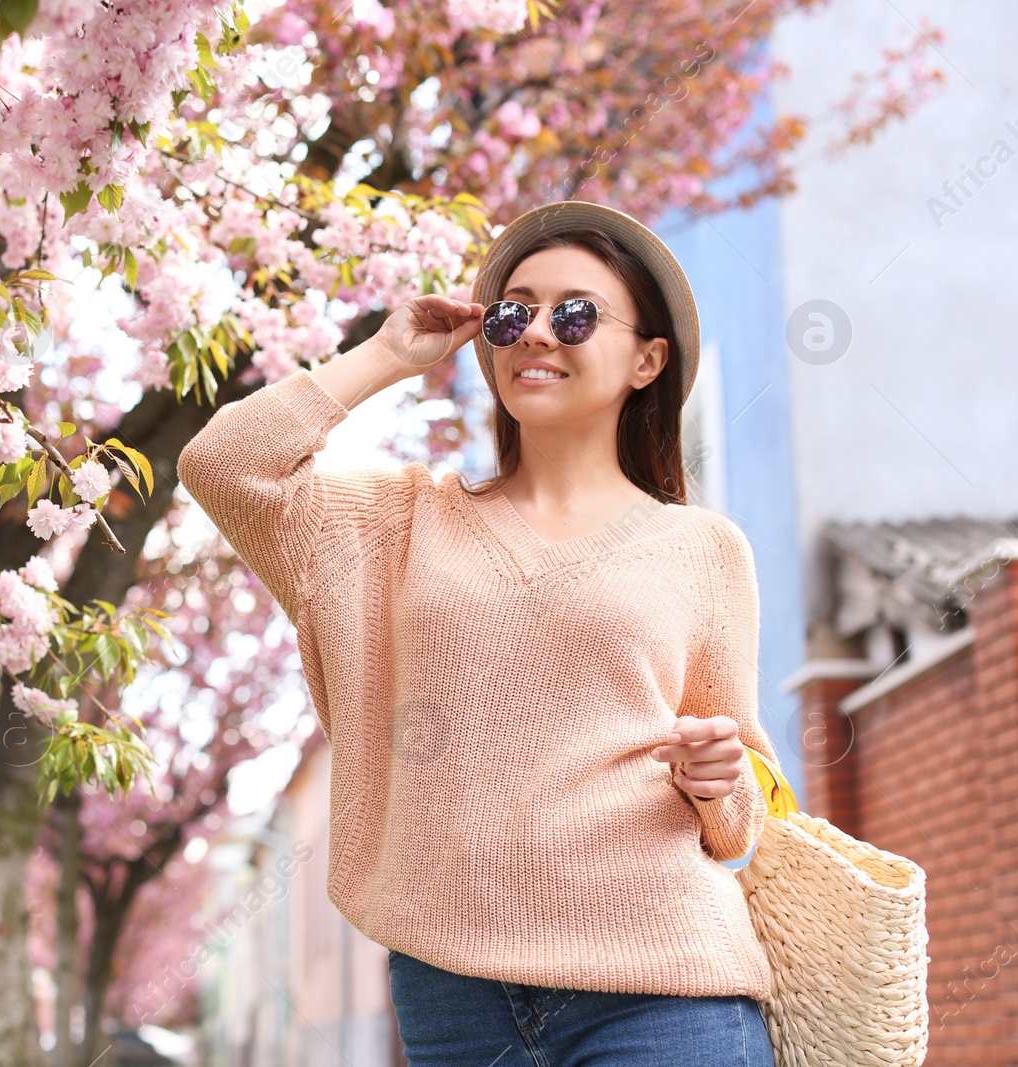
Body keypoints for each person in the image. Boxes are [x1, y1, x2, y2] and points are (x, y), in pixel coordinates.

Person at [175, 200, 785, 1066]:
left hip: (664, 985)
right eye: (512, 312)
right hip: (454, 998)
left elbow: (739, 816)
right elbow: (223, 465)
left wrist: (721, 776)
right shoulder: (395, 522)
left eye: (574, 312)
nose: (536, 332)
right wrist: (388, 356)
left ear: (648, 359)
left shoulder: (703, 550)